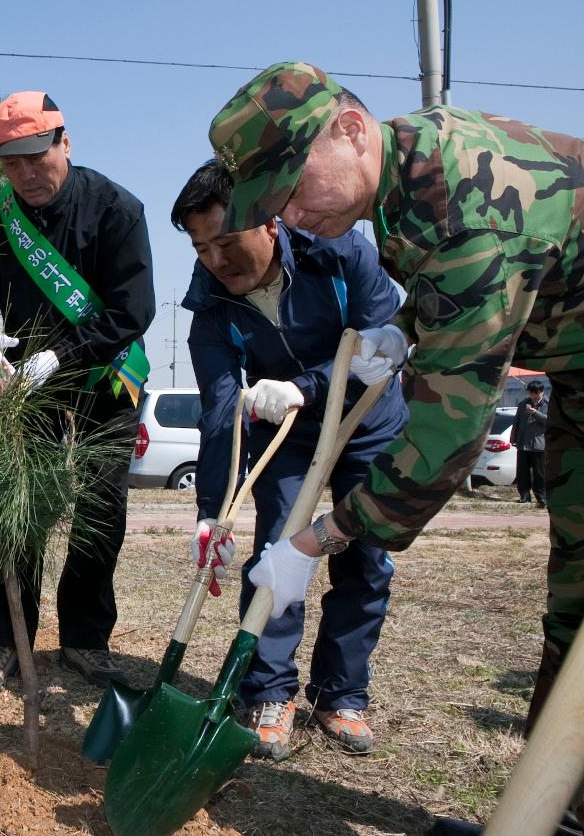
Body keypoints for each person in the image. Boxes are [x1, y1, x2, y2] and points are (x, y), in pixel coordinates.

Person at [209, 61, 584, 830]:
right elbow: (452, 294)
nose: (289, 213)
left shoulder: (465, 207)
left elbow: (446, 440)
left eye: (291, 185)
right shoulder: (406, 174)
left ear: (348, 128)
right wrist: (403, 329)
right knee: (573, 605)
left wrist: (317, 539)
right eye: (272, 199)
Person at [173, 159, 407, 759]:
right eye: (201, 249)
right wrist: (210, 512)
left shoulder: (343, 254)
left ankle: (340, 694)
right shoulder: (211, 307)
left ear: (270, 224)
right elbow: (221, 410)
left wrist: (307, 384)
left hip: (368, 419)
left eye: (225, 242)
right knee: (278, 556)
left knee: (365, 560)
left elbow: (382, 338)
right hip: (289, 435)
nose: (215, 262)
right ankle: (269, 691)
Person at [0, 91, 155, 692]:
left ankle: (86, 641)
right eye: (10, 163)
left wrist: (62, 356)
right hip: (26, 388)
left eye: (35, 158)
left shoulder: (117, 210)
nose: (24, 174)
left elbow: (133, 310)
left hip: (105, 376)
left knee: (101, 509)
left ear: (64, 143)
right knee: (17, 507)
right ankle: (1, 639)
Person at [512, 380, 549, 507]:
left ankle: (541, 498)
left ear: (541, 392)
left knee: (540, 473)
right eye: (531, 393)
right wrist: (513, 438)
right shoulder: (523, 404)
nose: (533, 396)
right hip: (523, 443)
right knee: (522, 472)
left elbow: (549, 421)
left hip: (539, 444)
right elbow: (516, 421)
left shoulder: (548, 404)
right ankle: (524, 496)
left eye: (535, 393)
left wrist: (535, 413)